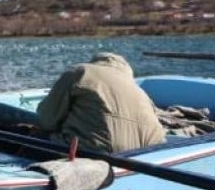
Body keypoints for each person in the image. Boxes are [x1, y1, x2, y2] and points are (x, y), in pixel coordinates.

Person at [35, 52, 166, 153]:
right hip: (145, 153)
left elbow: (46, 120)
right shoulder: (140, 91)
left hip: (92, 151)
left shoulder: (81, 72)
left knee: (29, 133)